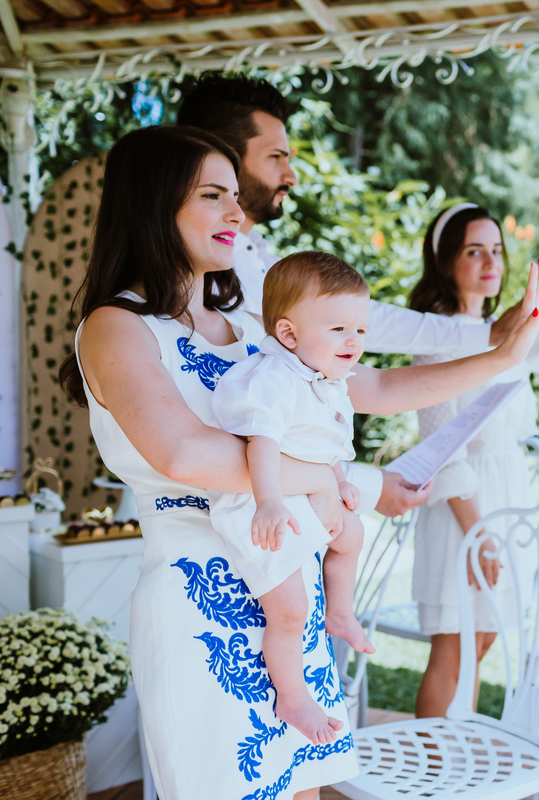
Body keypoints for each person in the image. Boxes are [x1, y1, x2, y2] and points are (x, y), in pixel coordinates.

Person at [58, 125, 539, 800]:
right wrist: (329, 479)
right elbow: (184, 454)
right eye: (212, 196)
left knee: (304, 788)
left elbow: (368, 387)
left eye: (236, 195)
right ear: (152, 204)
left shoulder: (251, 323)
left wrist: (496, 359)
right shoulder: (118, 326)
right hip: (203, 604)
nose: (237, 212)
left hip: (288, 582)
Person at [176, 75, 526, 519]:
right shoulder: (205, 287)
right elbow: (205, 449)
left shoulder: (258, 260)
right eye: (276, 157)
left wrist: (490, 341)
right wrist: (367, 483)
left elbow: (371, 367)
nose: (291, 175)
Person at [407, 203, 539, 717]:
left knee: (482, 639)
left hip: (505, 494)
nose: (491, 261)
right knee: (455, 645)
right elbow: (442, 447)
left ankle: (452, 751)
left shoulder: (502, 330)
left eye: (496, 250)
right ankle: (430, 774)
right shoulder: (437, 337)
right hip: (463, 508)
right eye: (475, 251)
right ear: (446, 261)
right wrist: (481, 536)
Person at [210, 252, 379, 745]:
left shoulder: (329, 382)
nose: (354, 341)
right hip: (263, 501)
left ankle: (341, 610)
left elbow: (325, 446)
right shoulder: (274, 378)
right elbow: (261, 444)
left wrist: (339, 480)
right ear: (288, 334)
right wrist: (268, 503)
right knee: (289, 608)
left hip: (303, 492)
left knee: (353, 534)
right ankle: (292, 695)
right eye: (339, 329)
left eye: (361, 331)